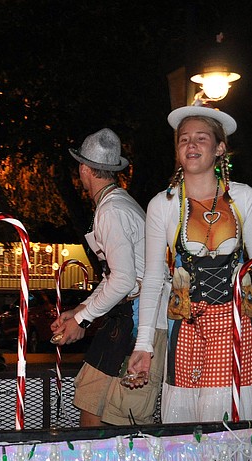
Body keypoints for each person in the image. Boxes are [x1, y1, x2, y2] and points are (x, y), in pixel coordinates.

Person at [126, 105, 252, 423]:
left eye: (201, 138)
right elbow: (154, 278)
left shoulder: (243, 198)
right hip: (185, 328)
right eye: (184, 139)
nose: (191, 145)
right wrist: (144, 345)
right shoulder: (163, 204)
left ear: (219, 148)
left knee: (224, 431)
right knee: (184, 435)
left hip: (234, 326)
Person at [52, 128, 167, 427]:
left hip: (144, 322)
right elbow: (117, 275)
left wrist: (81, 320)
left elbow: (124, 280)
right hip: (122, 319)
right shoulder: (116, 204)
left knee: (124, 420)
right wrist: (79, 311)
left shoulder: (112, 210)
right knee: (91, 404)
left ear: (83, 169)